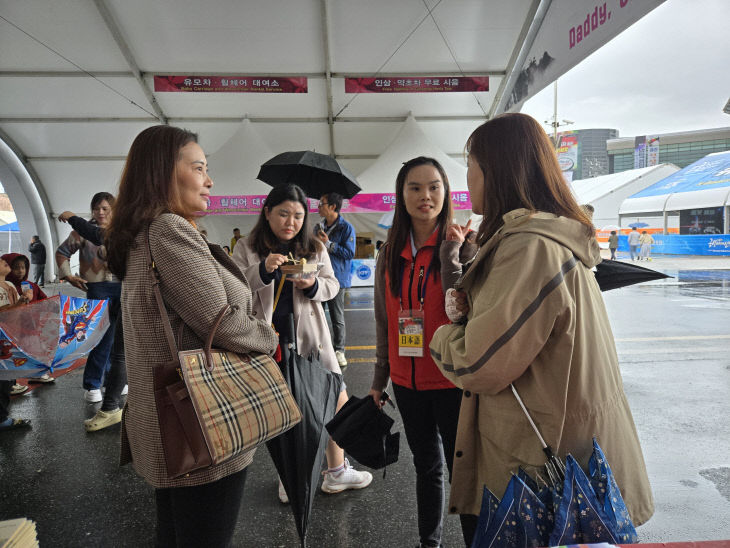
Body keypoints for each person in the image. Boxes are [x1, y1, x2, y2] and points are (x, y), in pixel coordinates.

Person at [429, 113, 654, 545]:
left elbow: (480, 364)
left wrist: (440, 336)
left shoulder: (528, 247)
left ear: (497, 169)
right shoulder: (544, 237)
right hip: (569, 452)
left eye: (471, 164)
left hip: (545, 473)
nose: (469, 177)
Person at [105, 125, 278, 547]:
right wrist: (269, 337)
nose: (209, 180)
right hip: (201, 423)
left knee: (178, 534)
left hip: (170, 421)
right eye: (199, 167)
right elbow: (221, 320)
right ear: (164, 173)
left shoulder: (142, 234)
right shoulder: (169, 230)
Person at [232, 184, 372, 503]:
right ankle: (290, 477)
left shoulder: (312, 245)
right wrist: (263, 270)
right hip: (268, 342)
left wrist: (312, 285)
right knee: (285, 411)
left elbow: (332, 286)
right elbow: (235, 287)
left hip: (311, 340)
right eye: (283, 213)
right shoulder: (248, 246)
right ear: (267, 213)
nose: (291, 222)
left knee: (336, 398)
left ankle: (336, 472)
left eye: (297, 215)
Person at [368, 157, 477, 548]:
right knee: (426, 466)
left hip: (450, 378)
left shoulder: (463, 245)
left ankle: (473, 541)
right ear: (401, 194)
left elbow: (460, 309)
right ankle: (428, 541)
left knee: (461, 469)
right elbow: (384, 322)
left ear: (446, 192)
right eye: (414, 187)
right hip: (406, 382)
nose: (424, 196)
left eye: (433, 186)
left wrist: (451, 252)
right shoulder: (389, 254)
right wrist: (379, 382)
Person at [57, 211, 127, 431]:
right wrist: (68, 274)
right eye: (98, 208)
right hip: (97, 287)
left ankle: (112, 383)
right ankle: (93, 384)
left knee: (120, 342)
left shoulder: (123, 229)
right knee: (102, 337)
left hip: (123, 288)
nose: (102, 212)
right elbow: (62, 252)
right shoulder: (84, 233)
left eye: (107, 208)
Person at [314, 192, 355, 369]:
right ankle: (319, 348)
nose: (318, 206)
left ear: (332, 207)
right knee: (317, 315)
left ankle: (339, 351)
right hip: (318, 277)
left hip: (337, 278)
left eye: (321, 203)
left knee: (337, 318)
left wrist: (329, 243)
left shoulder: (346, 228)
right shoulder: (318, 226)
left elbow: (349, 253)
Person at [1, 253, 54, 385]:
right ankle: (11, 381)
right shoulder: (11, 286)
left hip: (32, 326)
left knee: (36, 350)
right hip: (14, 328)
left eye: (23, 268)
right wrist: (23, 301)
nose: (20, 271)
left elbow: (44, 301)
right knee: (12, 354)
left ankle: (36, 374)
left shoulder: (29, 285)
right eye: (16, 267)